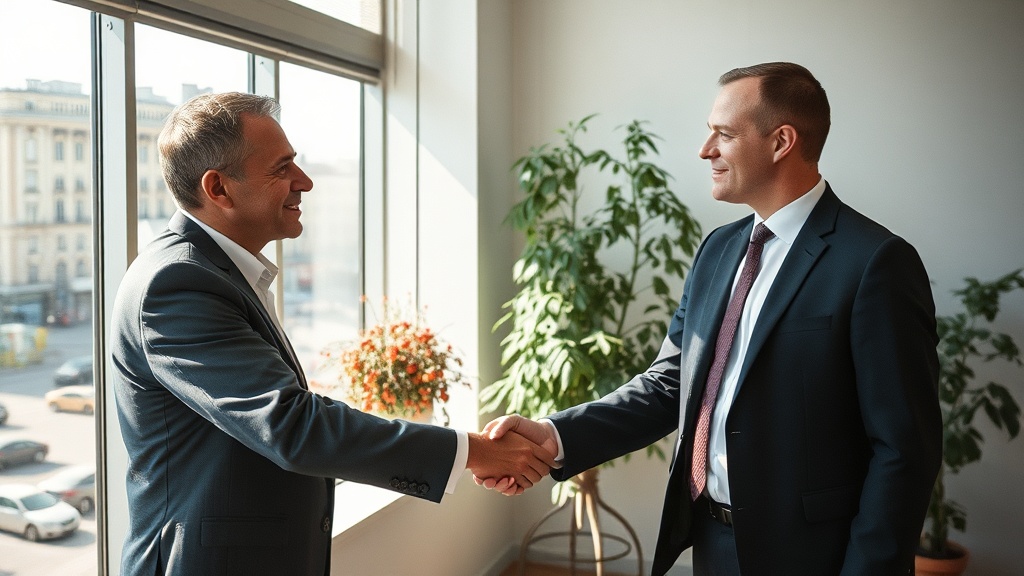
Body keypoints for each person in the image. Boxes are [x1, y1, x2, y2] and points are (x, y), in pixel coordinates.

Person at [479, 62, 942, 575]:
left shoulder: (876, 262)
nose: (706, 150)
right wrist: (555, 435)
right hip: (711, 542)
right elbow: (671, 383)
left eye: (723, 134)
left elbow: (903, 450)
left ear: (781, 141)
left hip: (815, 558)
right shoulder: (718, 250)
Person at [110, 92, 556, 576]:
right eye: (282, 169)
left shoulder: (218, 272)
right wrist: (474, 452)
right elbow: (290, 426)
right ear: (218, 188)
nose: (305, 182)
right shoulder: (176, 284)